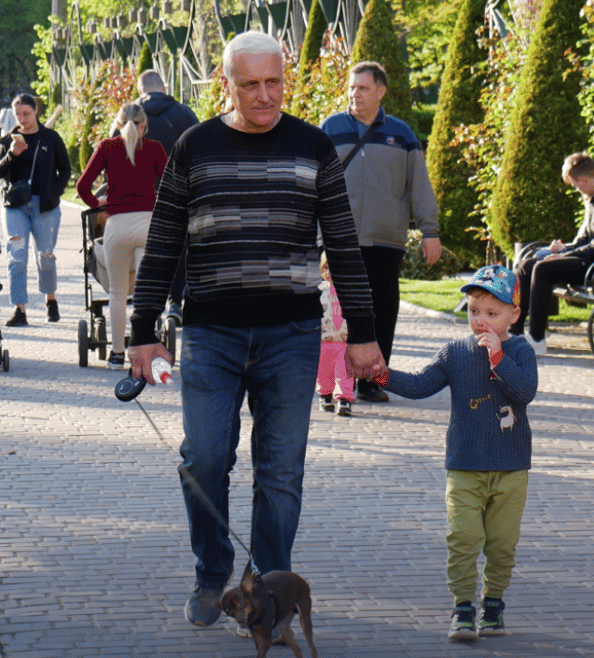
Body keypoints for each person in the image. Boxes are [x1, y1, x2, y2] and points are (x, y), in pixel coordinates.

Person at [126, 31, 385, 629]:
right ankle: (211, 572)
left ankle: (268, 590)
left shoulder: (313, 146)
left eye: (274, 82)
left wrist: (363, 333)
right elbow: (163, 241)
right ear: (227, 84)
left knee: (281, 471)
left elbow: (343, 245)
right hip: (212, 334)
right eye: (250, 85)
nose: (265, 96)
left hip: (291, 336)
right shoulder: (196, 146)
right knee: (203, 457)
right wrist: (142, 330)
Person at [380, 264, 538, 641]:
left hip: (511, 468)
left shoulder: (520, 351)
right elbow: (419, 386)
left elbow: (524, 392)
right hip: (464, 466)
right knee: (463, 538)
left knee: (502, 544)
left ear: (514, 315)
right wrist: (379, 373)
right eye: (473, 311)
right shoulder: (455, 353)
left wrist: (499, 357)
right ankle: (463, 607)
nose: (481, 320)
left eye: (492, 313)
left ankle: (494, 603)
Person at [320, 60, 442, 403]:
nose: (354, 94)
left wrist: (430, 230)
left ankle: (372, 380)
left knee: (383, 310)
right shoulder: (330, 128)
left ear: (381, 91)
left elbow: (419, 186)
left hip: (386, 242)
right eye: (351, 87)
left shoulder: (402, 134)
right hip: (340, 241)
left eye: (363, 88)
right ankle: (337, 380)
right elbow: (314, 185)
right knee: (338, 312)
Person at [513, 152, 594, 357]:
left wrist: (564, 257)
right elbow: (584, 241)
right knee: (528, 264)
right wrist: (563, 250)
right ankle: (515, 333)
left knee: (543, 269)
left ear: (583, 179)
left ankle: (536, 339)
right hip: (593, 260)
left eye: (575, 185)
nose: (577, 190)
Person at [76, 102, 168, 370]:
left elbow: (82, 187)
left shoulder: (107, 147)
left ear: (118, 124)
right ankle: (144, 351)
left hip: (117, 225)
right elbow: (173, 184)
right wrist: (157, 199)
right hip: (147, 225)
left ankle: (116, 355)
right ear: (144, 126)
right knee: (143, 293)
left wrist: (98, 202)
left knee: (118, 292)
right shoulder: (154, 149)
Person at [0, 93, 71, 326]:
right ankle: (20, 309)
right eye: (18, 114)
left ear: (36, 110)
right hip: (15, 207)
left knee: (45, 256)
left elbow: (65, 169)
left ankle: (51, 299)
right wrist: (12, 154)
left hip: (45, 206)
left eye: (26, 113)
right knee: (16, 257)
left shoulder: (50, 138)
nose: (22, 118)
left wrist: (53, 193)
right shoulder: (9, 140)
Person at [135, 69, 201, 324]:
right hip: (177, 193)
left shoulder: (129, 114)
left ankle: (148, 304)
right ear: (164, 87)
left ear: (141, 90)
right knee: (179, 249)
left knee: (145, 249)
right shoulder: (183, 113)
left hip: (137, 199)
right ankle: (175, 302)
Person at [317, 252, 354, 417]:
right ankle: (325, 395)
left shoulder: (347, 290)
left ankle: (344, 399)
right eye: (325, 269)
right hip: (324, 339)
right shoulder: (318, 291)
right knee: (324, 370)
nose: (328, 273)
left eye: (332, 268)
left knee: (344, 371)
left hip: (344, 340)